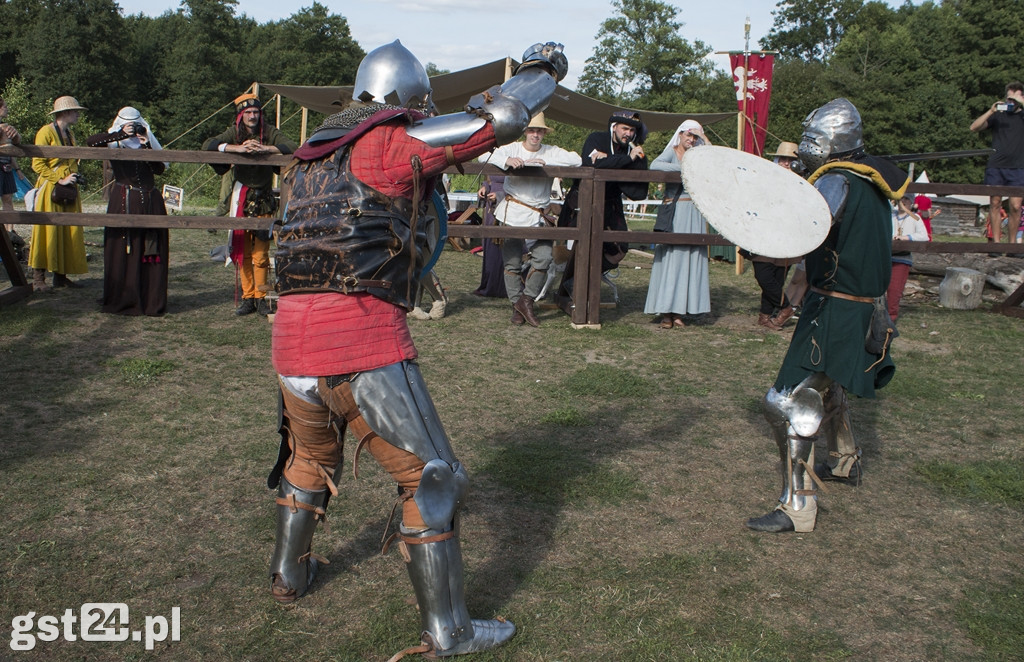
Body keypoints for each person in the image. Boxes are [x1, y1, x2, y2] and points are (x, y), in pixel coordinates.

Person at [268, 40, 567, 658]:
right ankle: (449, 630)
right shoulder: (387, 143)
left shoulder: (303, 161)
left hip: (290, 349)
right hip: (361, 341)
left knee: (308, 460)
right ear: (410, 102)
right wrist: (545, 69)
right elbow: (502, 120)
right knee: (433, 479)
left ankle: (289, 574)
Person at [746, 98, 907, 534]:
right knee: (826, 382)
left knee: (787, 400)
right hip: (862, 306)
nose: (806, 146)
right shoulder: (874, 181)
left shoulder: (836, 180)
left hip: (835, 307)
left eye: (813, 138)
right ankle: (846, 459)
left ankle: (797, 506)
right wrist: (801, 276)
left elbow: (807, 229)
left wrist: (760, 235)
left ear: (831, 142)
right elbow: (837, 241)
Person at [483, 112, 581, 326]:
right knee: (512, 263)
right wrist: (507, 160)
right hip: (512, 211)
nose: (535, 134)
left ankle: (525, 300)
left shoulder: (550, 151)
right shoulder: (512, 148)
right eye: (532, 130)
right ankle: (517, 305)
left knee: (544, 258)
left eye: (539, 131)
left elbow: (576, 159)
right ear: (525, 132)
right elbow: (484, 155)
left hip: (539, 214)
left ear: (544, 133)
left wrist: (544, 161)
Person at [203, 93, 296, 316]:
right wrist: (237, 148)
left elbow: (291, 145)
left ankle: (261, 297)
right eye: (248, 113)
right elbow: (209, 144)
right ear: (241, 115)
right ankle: (248, 296)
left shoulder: (269, 131)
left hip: (263, 200)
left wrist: (265, 149)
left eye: (256, 112)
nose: (252, 116)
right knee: (242, 252)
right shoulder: (234, 132)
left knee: (261, 254)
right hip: (241, 199)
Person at [555, 110, 649, 315]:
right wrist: (625, 160)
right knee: (582, 246)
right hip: (583, 202)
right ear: (614, 127)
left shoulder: (632, 149)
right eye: (625, 128)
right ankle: (573, 290)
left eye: (632, 130)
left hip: (610, 205)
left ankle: (575, 282)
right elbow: (591, 165)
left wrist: (621, 160)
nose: (628, 134)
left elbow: (639, 190)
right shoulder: (596, 139)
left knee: (619, 248)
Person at [86, 107, 169, 316]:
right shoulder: (114, 140)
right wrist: (122, 133)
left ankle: (150, 298)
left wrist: (146, 143)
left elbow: (160, 168)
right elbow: (91, 141)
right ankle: (124, 297)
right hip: (124, 198)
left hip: (150, 200)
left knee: (150, 248)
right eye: (128, 123)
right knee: (124, 247)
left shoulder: (146, 141)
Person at [643, 120, 710, 329]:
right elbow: (655, 165)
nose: (691, 140)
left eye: (695, 137)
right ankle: (666, 311)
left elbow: (714, 161)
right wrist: (686, 167)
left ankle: (681, 311)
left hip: (695, 212)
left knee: (691, 257)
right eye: (688, 135)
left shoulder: (700, 155)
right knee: (673, 258)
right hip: (676, 211)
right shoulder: (672, 152)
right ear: (680, 135)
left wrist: (705, 139)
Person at [28, 96, 89, 292]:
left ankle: (60, 277)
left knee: (67, 230)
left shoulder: (69, 134)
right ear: (64, 113)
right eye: (75, 111)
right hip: (51, 188)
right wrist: (59, 179)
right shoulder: (46, 132)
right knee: (47, 231)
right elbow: (37, 164)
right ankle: (38, 279)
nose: (78, 114)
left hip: (69, 186)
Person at [740, 141, 801, 330]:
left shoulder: (801, 185)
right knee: (763, 274)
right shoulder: (766, 179)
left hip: (787, 236)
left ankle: (765, 316)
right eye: (783, 159)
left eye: (790, 160)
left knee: (777, 277)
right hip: (764, 234)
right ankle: (786, 307)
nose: (785, 163)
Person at [969, 81, 1024, 245]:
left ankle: (1013, 244)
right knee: (995, 203)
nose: (1011, 102)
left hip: (1019, 166)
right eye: (1009, 98)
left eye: (1015, 98)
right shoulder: (998, 116)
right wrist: (991, 111)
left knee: (1015, 206)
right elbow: (974, 127)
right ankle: (997, 244)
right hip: (996, 166)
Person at [888, 194, 929, 321]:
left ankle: (889, 321)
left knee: (894, 291)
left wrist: (906, 238)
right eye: (902, 199)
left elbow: (924, 236)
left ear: (911, 202)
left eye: (907, 199)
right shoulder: (890, 214)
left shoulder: (915, 218)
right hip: (885, 256)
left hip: (901, 258)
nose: (903, 202)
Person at [472, 175, 509, 298]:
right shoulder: (494, 158)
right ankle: (489, 285)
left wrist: (500, 195)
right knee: (490, 247)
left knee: (501, 248)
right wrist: (485, 187)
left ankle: (503, 288)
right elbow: (489, 179)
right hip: (491, 208)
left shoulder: (516, 157)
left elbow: (522, 187)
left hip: (507, 207)